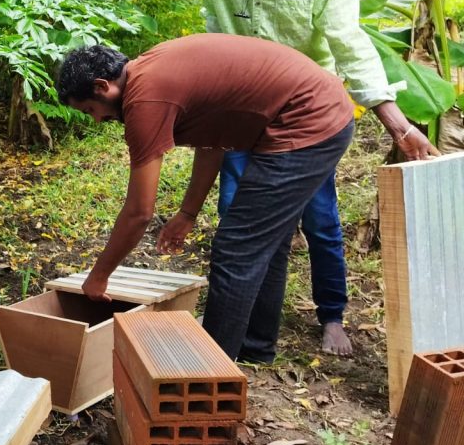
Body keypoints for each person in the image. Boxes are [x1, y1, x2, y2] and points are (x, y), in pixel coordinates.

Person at [202, 0, 438, 356]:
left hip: (306, 119)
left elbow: (349, 43)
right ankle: (249, 334)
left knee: (320, 218)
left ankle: (332, 315)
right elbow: (216, 35)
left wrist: (396, 123)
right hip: (243, 114)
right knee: (237, 218)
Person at [56, 36, 359, 364]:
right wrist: (188, 213)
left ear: (102, 86)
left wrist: (99, 276)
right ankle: (254, 346)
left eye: (91, 110)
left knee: (236, 248)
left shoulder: (145, 99)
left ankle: (211, 370)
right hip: (316, 107)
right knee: (264, 242)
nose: (97, 120)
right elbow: (213, 142)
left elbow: (139, 212)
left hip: (308, 118)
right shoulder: (151, 71)